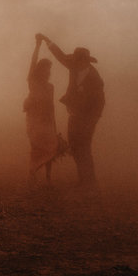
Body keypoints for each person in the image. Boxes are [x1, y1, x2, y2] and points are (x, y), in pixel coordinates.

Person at [41, 34, 105, 189]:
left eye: (78, 61)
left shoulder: (95, 80)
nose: (74, 63)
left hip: (89, 116)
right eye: (74, 61)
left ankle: (88, 181)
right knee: (75, 146)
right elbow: (60, 56)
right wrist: (47, 40)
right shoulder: (75, 65)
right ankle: (84, 180)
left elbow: (98, 103)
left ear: (84, 61)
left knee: (83, 146)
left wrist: (90, 120)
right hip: (75, 113)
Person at [24, 35, 59, 183]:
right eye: (46, 69)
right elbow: (33, 61)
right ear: (41, 70)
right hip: (34, 118)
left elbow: (51, 106)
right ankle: (32, 172)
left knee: (51, 147)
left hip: (47, 119)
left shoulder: (50, 87)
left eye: (49, 69)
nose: (48, 72)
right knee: (36, 146)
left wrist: (54, 124)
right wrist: (38, 45)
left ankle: (48, 176)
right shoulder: (33, 80)